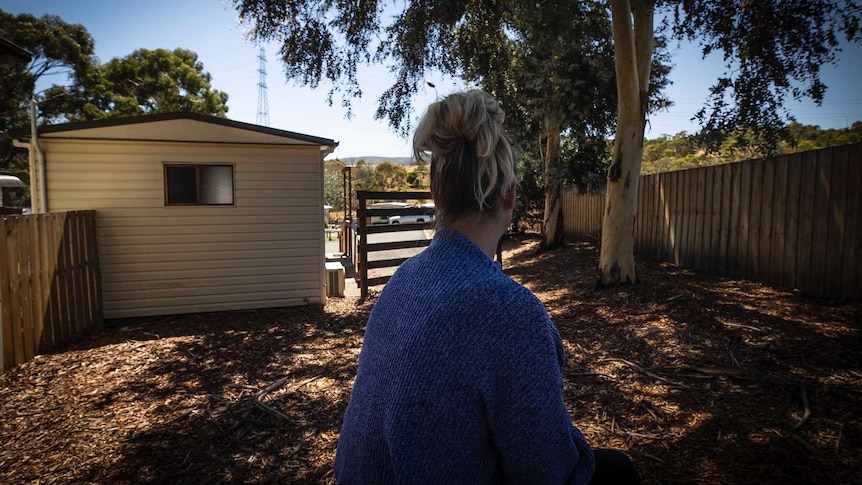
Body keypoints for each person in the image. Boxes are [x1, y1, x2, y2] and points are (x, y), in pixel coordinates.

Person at [334, 90, 640, 484]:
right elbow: (546, 469)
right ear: (510, 196)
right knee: (619, 472)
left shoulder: (403, 279)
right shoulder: (508, 311)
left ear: (436, 194)